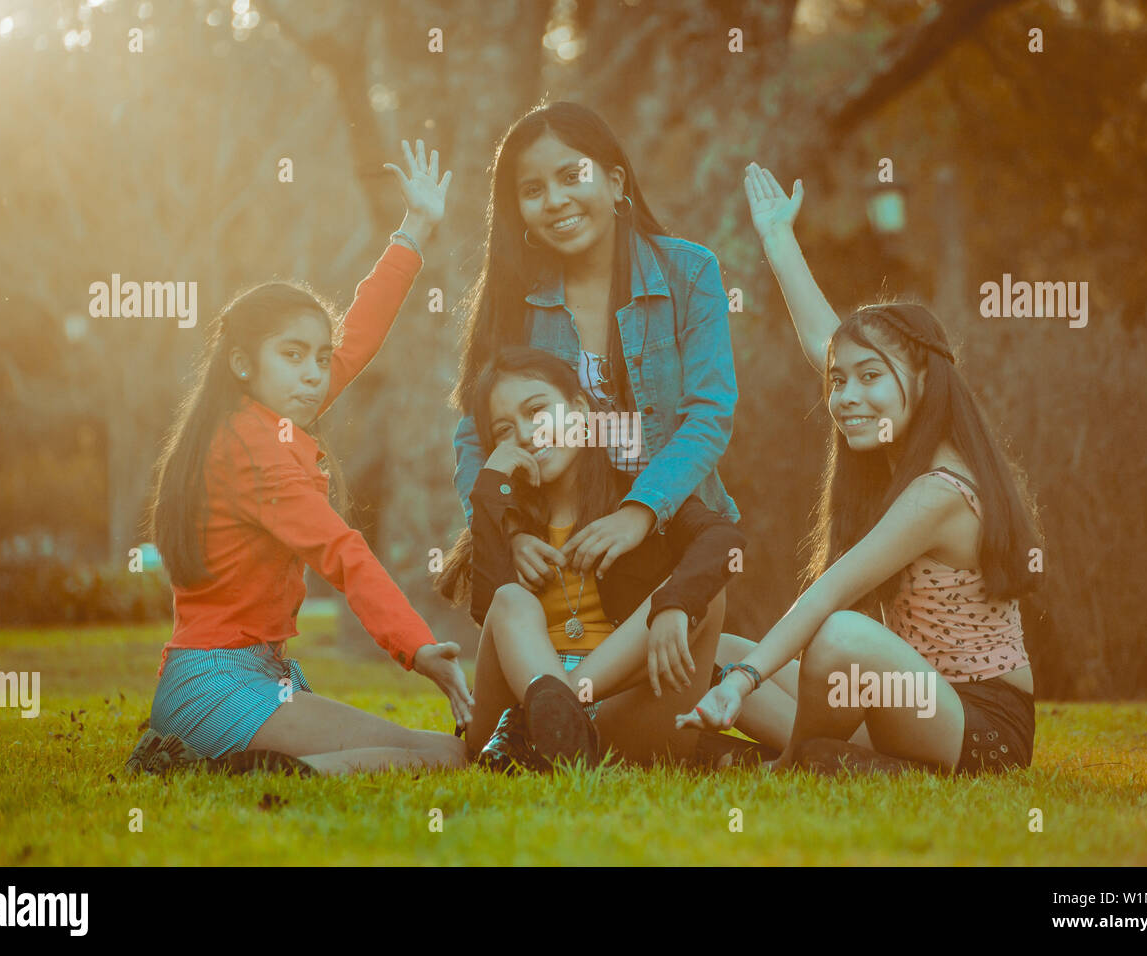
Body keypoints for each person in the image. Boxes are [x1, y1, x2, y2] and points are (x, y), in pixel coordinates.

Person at [680, 163, 1042, 776]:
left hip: (979, 726)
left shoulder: (940, 491)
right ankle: (831, 757)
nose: (847, 395)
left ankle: (794, 764)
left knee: (840, 635)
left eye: (871, 377)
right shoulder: (898, 447)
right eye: (839, 382)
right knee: (713, 652)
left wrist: (744, 684)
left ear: (925, 381)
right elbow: (829, 346)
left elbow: (832, 592)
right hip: (902, 696)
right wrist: (778, 239)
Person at [129, 140, 472, 777]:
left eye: (319, 357)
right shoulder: (260, 453)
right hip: (220, 686)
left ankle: (220, 758)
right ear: (242, 363)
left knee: (440, 751)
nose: (316, 374)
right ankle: (229, 767)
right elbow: (345, 554)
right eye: (293, 355)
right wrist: (419, 648)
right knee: (446, 756)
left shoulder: (254, 422)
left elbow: (358, 339)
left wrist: (414, 228)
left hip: (233, 678)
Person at [450, 101, 739, 594]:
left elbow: (709, 414)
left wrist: (639, 511)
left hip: (678, 534)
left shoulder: (690, 274)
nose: (555, 200)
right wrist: (509, 534)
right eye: (533, 190)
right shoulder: (512, 300)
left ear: (616, 183)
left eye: (571, 175)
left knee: (677, 665)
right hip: (557, 548)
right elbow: (476, 436)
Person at [437, 347, 747, 770]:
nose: (526, 434)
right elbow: (487, 609)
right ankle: (549, 715)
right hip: (510, 710)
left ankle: (559, 720)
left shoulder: (636, 497)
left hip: (608, 706)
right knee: (510, 601)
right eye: (505, 430)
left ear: (581, 409)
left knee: (700, 593)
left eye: (537, 410)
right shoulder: (510, 521)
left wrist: (674, 604)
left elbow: (724, 540)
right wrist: (490, 487)